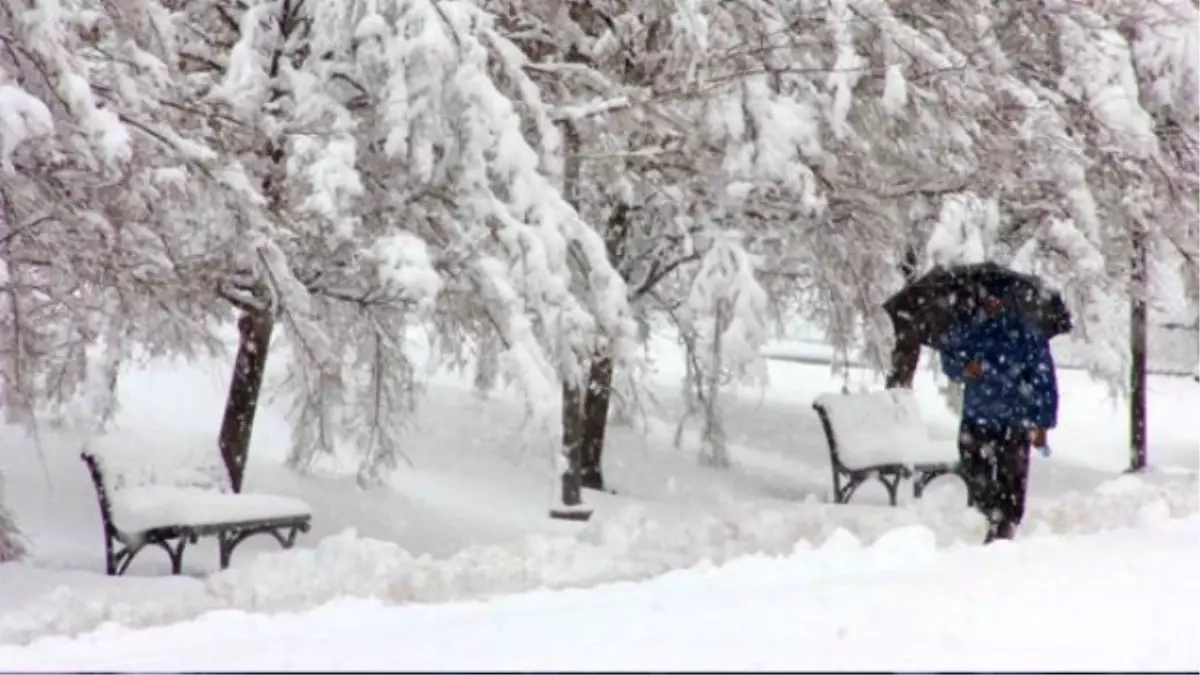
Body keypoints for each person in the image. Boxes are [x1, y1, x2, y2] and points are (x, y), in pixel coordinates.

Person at [939, 282, 1058, 543]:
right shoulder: (970, 326)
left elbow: (1043, 379)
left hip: (1014, 420)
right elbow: (949, 356)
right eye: (987, 298)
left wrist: (1043, 423)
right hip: (976, 416)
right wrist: (962, 368)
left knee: (1011, 480)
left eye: (997, 298)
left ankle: (1005, 527)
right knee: (977, 474)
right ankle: (987, 520)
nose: (991, 303)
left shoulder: (1026, 333)